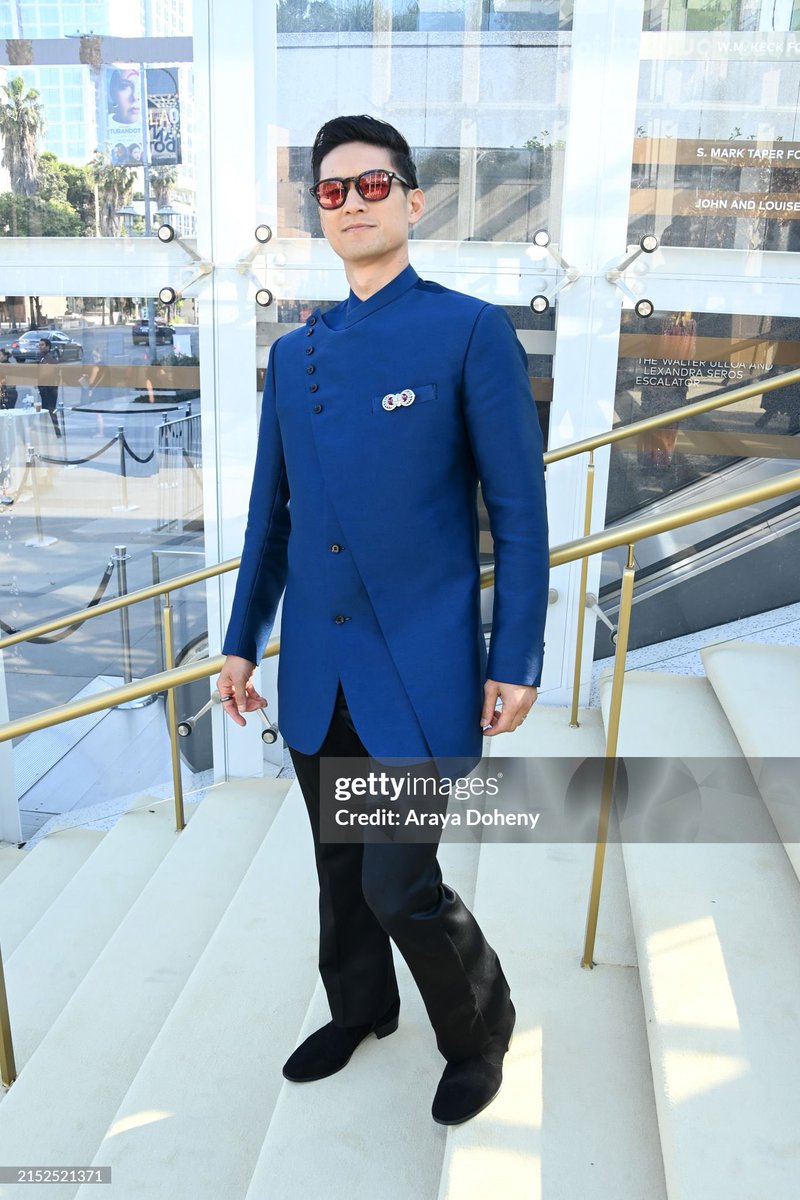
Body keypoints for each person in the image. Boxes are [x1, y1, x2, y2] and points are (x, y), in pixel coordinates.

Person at [215, 114, 549, 1126]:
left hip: (418, 672)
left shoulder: (465, 331)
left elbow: (519, 514)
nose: (351, 203)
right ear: (316, 215)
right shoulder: (297, 351)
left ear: (411, 200)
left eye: (371, 185)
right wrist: (238, 642)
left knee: (398, 883)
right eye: (330, 191)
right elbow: (270, 521)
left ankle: (480, 1026)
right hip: (318, 673)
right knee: (337, 870)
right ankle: (361, 1010)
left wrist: (516, 656)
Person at [37, 338, 62, 438]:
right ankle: (51, 431)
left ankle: (56, 431)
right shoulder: (43, 357)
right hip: (45, 388)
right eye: (39, 345)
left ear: (48, 346)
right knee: (47, 410)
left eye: (42, 345)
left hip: (49, 389)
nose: (40, 346)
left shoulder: (50, 359)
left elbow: (49, 374)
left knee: (50, 410)